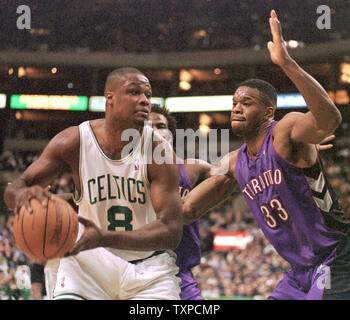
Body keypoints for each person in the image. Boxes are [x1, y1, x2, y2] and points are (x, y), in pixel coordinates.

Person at [183, 10, 350, 300]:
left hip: (335, 258)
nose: (236, 108)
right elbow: (187, 209)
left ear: (268, 112)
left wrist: (287, 64)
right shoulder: (235, 163)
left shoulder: (285, 132)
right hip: (298, 273)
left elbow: (328, 120)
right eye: (234, 102)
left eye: (246, 103)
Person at [4, 67, 183, 300]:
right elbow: (15, 187)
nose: (144, 101)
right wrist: (21, 196)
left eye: (147, 95)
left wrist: (104, 236)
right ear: (110, 97)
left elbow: (171, 231)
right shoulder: (74, 141)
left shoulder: (158, 151)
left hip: (148, 268)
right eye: (134, 92)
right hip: (88, 261)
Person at [149, 103, 213, 300]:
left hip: (178, 272)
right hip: (133, 270)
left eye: (160, 126)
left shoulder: (192, 168)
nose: (153, 131)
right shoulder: (122, 171)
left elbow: (233, 175)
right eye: (146, 126)